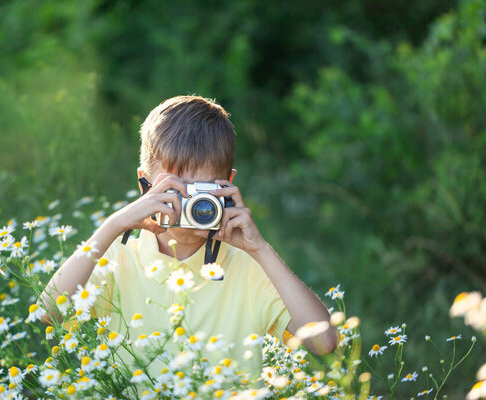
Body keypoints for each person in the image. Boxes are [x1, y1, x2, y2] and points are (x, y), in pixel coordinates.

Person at [38, 95, 338, 386]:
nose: (189, 206)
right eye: (176, 190)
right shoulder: (119, 256)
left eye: (202, 193)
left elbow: (324, 342)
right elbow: (48, 313)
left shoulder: (247, 265)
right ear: (145, 186)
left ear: (227, 185)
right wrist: (115, 224)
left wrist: (260, 249)